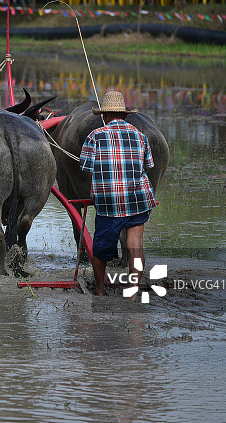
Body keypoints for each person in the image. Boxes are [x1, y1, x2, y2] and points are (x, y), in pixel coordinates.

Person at [79, 91, 157, 297]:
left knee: (101, 249)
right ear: (124, 115)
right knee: (135, 247)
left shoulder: (94, 136)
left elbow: (86, 168)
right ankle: (131, 291)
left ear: (104, 116)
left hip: (109, 203)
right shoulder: (141, 137)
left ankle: (99, 289)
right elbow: (147, 166)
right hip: (138, 199)